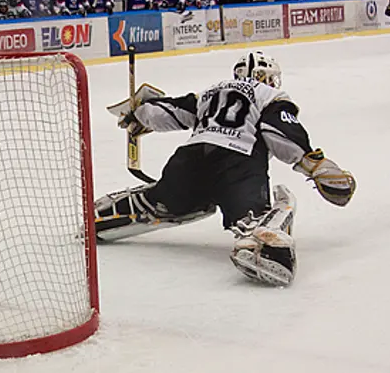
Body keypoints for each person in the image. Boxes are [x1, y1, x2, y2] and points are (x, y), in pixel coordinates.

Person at [94, 51, 356, 286]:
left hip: (188, 160)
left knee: (166, 200)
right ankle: (263, 242)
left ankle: (117, 210)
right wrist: (315, 164)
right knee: (251, 216)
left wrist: (138, 114)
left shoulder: (210, 92)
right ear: (266, 77)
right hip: (237, 162)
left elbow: (169, 110)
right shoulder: (271, 96)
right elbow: (279, 132)